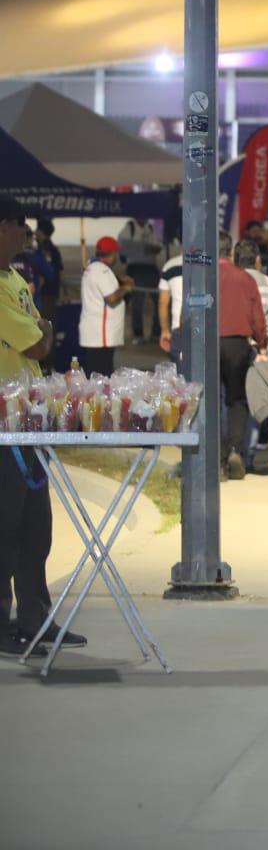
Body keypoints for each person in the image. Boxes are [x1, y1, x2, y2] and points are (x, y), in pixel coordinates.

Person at [0, 201, 73, 657]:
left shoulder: (15, 281)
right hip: (4, 424)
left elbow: (44, 339)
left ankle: (35, 619)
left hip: (29, 420)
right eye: (19, 227)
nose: (27, 234)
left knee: (37, 528)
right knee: (5, 528)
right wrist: (42, 331)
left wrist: (42, 331)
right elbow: (38, 341)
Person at [217, 232, 268, 481]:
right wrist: (262, 342)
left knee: (211, 401)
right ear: (230, 252)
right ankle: (237, 449)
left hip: (207, 342)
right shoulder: (245, 278)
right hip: (238, 343)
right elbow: (257, 317)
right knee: (237, 400)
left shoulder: (201, 276)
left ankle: (217, 457)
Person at [78, 236, 133, 377]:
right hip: (101, 336)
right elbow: (112, 298)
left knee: (94, 375)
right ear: (112, 253)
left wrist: (119, 281)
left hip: (94, 333)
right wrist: (126, 288)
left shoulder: (92, 267)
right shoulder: (102, 271)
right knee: (102, 378)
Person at [117, 217, 161, 344]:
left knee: (159, 300)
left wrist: (151, 248)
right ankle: (138, 334)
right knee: (137, 302)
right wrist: (138, 249)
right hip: (135, 267)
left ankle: (156, 333)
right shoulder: (130, 227)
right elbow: (121, 244)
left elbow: (158, 245)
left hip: (151, 267)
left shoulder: (151, 227)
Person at [30, 217, 61, 324]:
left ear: (41, 232)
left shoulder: (45, 249)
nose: (34, 233)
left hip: (45, 295)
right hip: (49, 294)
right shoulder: (51, 249)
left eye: (37, 230)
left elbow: (49, 273)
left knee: (45, 325)